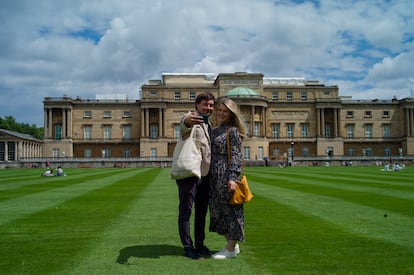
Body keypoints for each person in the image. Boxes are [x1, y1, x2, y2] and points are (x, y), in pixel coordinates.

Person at [175, 92, 215, 260]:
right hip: (189, 173)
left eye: (211, 105)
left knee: (201, 212)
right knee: (186, 211)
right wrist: (188, 121)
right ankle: (188, 247)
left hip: (204, 174)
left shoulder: (208, 124)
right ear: (197, 105)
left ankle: (200, 244)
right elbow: (184, 124)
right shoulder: (191, 117)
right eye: (205, 104)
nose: (208, 108)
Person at [209, 97, 247, 260]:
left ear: (231, 114)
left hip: (225, 174)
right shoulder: (215, 129)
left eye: (226, 111)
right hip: (213, 175)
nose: (222, 113)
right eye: (220, 110)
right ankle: (233, 245)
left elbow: (237, 155)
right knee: (218, 211)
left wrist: (233, 178)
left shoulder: (232, 131)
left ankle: (230, 250)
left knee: (231, 211)